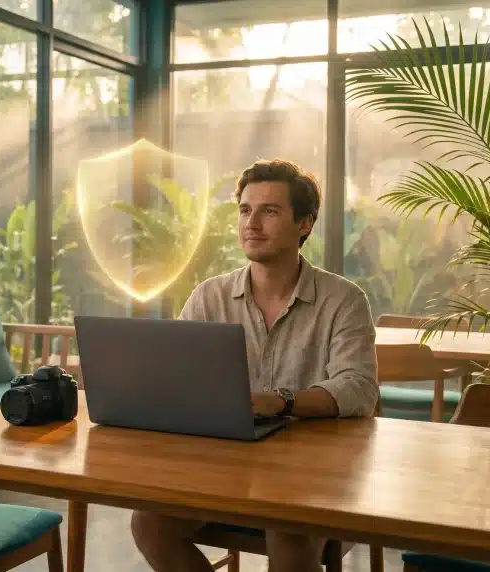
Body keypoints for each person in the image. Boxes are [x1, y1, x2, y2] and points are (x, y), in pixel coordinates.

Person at [130, 159, 379, 572]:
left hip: (312, 472)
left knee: (288, 533)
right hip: (222, 467)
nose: (252, 224)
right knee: (148, 524)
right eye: (245, 210)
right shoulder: (209, 297)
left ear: (304, 224)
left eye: (270, 211)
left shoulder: (344, 300)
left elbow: (359, 388)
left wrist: (281, 401)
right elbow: (176, 375)